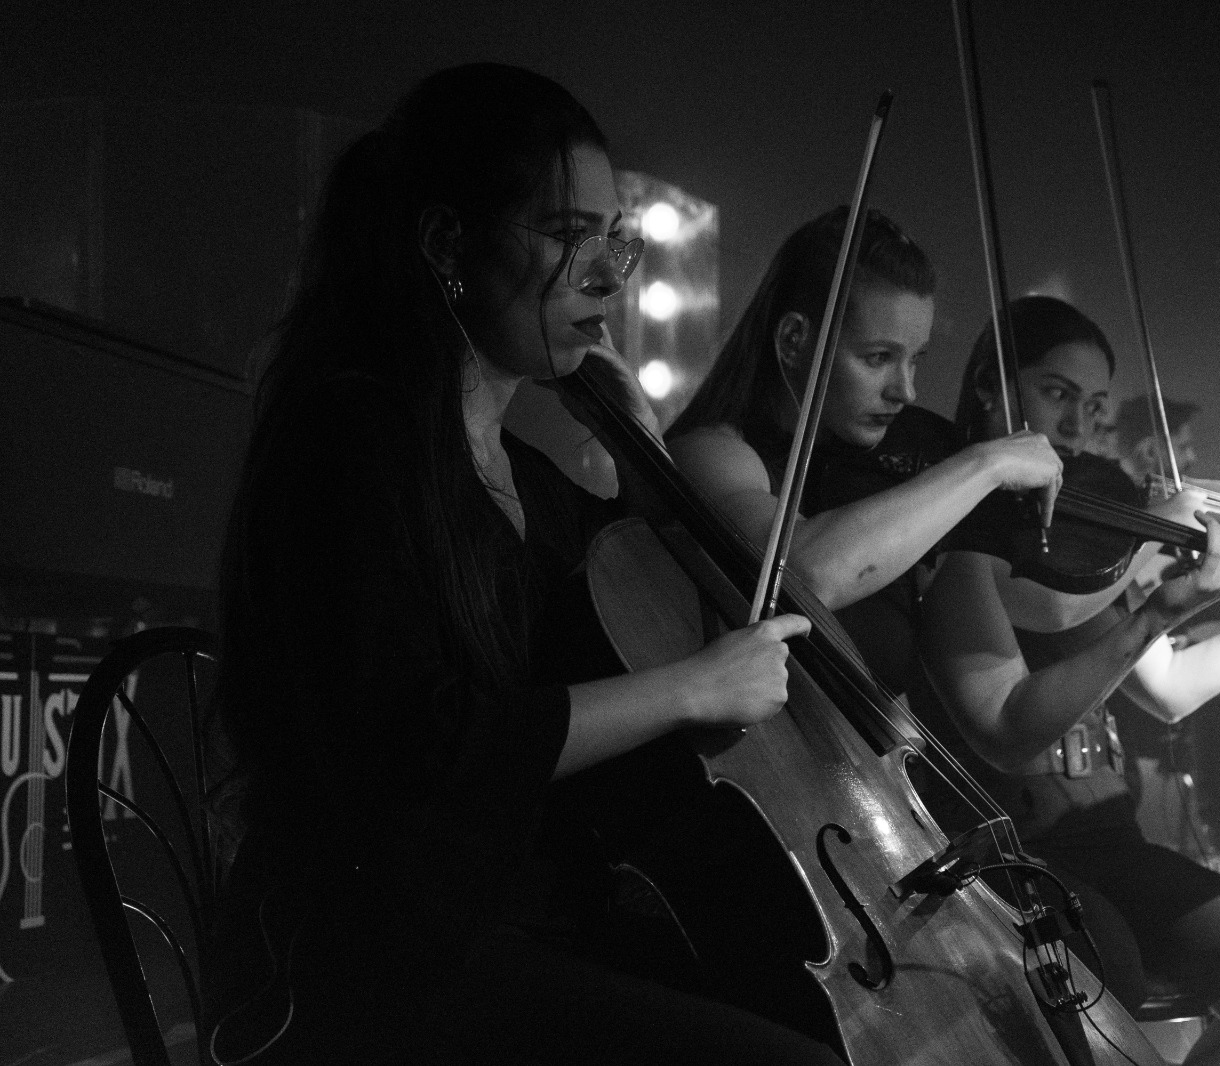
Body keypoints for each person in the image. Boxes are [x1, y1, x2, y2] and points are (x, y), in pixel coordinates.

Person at [204, 63, 845, 1066]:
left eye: (611, 237)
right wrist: (691, 689)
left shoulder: (534, 483)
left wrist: (649, 473)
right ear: (448, 247)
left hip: (518, 923)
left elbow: (631, 658)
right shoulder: (348, 442)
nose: (603, 275)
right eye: (561, 234)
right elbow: (422, 748)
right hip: (369, 960)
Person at [918, 295, 1220, 1066]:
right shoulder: (951, 519)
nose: (1078, 427)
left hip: (1109, 838)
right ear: (995, 387)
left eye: (1093, 405)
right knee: (1108, 967)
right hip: (1015, 839)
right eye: (1057, 394)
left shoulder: (1079, 535)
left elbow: (1169, 687)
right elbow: (1037, 616)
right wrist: (1151, 562)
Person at [667, 206, 1063, 697]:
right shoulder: (710, 452)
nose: (907, 391)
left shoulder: (859, 481)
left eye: (915, 361)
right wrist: (988, 461)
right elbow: (805, 571)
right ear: (794, 340)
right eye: (878, 358)